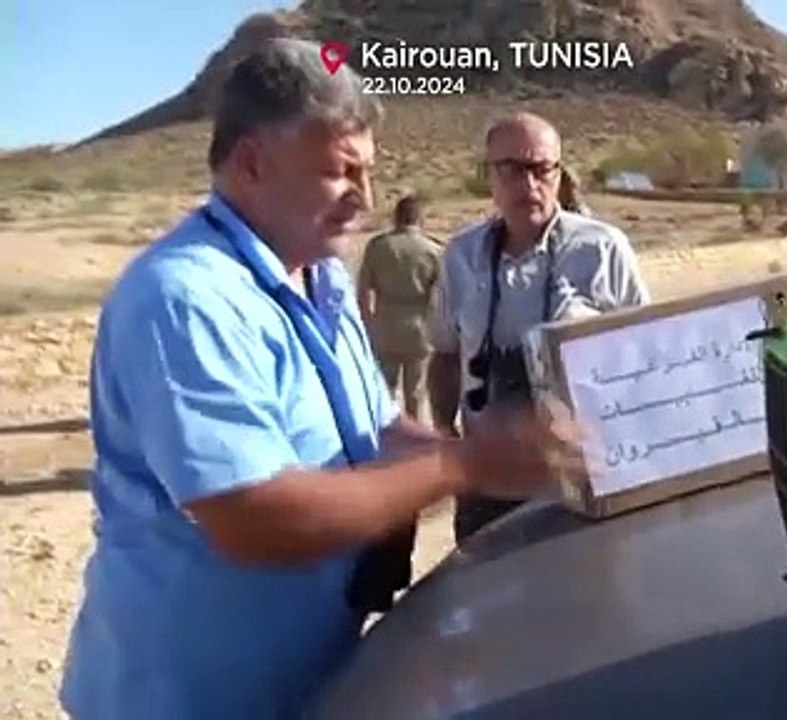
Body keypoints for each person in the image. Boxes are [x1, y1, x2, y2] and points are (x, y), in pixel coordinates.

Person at [59, 38, 582, 720]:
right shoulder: (186, 299)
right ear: (252, 163)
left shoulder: (319, 275)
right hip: (189, 698)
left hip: (310, 677)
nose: (364, 199)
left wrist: (515, 459)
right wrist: (465, 462)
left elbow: (378, 430)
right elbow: (254, 516)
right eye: (341, 173)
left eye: (368, 173)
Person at [426, 112, 650, 543]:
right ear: (487, 175)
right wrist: (445, 433)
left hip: (582, 473)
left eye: (540, 169)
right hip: (487, 478)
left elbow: (642, 356)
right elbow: (446, 354)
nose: (528, 186)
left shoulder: (603, 248)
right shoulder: (461, 255)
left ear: (559, 172)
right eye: (511, 170)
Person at [357, 194, 442, 422]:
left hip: (386, 324)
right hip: (419, 326)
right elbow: (441, 296)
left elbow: (364, 289)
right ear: (420, 218)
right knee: (415, 394)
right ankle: (414, 444)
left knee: (384, 392)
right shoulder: (432, 249)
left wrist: (368, 322)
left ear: (396, 217)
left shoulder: (378, 246)